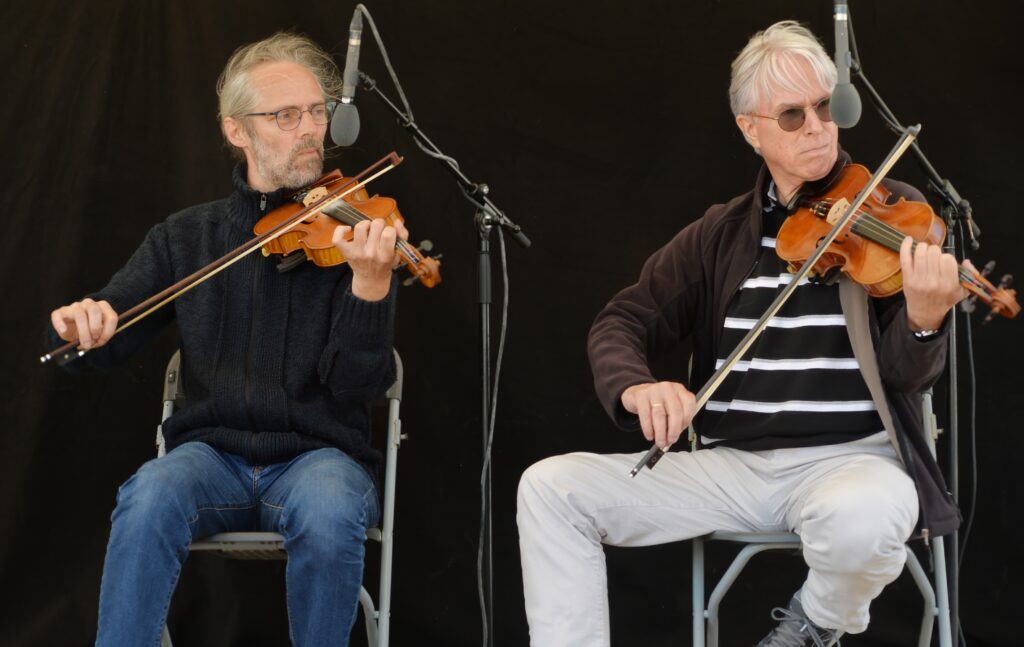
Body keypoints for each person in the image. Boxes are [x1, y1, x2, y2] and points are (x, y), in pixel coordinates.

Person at [517, 20, 964, 647]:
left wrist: (924, 320)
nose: (816, 126)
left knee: (866, 517)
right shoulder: (720, 234)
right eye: (790, 115)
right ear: (749, 129)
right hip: (730, 468)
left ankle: (811, 625)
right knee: (550, 487)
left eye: (824, 107)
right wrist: (638, 388)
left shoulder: (890, 209)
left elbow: (905, 378)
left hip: (851, 461)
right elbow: (624, 319)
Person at [48, 32, 407, 647]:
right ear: (237, 130)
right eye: (285, 116)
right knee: (149, 494)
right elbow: (110, 331)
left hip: (318, 457)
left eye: (317, 111)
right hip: (209, 458)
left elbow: (357, 386)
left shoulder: (358, 233)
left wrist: (368, 288)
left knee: (328, 509)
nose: (310, 130)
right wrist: (86, 326)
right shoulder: (186, 238)